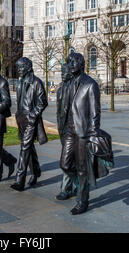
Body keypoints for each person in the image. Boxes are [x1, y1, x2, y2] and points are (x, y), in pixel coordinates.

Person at [60, 52, 113, 215]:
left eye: (75, 61)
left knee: (83, 168)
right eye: (69, 62)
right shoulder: (68, 83)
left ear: (82, 64)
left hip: (83, 132)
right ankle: (81, 186)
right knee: (65, 164)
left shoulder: (90, 84)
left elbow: (95, 112)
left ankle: (82, 200)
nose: (71, 64)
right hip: (69, 130)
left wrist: (92, 133)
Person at [11, 57, 48, 192]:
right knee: (29, 147)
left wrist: (33, 115)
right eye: (18, 67)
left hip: (31, 120)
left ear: (27, 67)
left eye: (20, 67)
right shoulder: (20, 83)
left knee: (25, 148)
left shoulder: (36, 82)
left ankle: (19, 180)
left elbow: (43, 102)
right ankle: (36, 171)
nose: (18, 70)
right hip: (21, 118)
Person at [56, 63, 77, 201]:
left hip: (74, 129)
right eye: (62, 71)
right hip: (63, 128)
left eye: (65, 71)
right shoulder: (60, 88)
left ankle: (70, 186)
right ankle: (71, 186)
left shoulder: (77, 87)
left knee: (65, 162)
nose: (63, 73)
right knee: (70, 160)